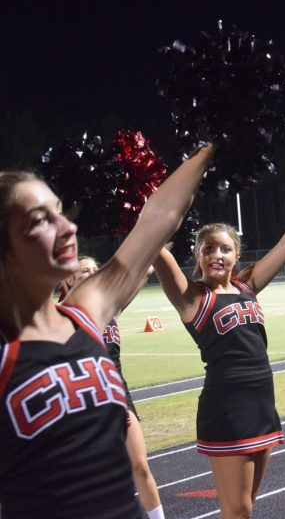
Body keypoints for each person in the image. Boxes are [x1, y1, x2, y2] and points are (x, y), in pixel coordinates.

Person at [0, 144, 213, 519]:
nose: (68, 227)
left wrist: (217, 138)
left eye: (60, 212)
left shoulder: (86, 310)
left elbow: (161, 216)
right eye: (40, 220)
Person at [152, 205, 285, 519]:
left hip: (261, 402)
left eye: (225, 249)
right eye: (208, 249)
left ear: (237, 256)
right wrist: (155, 214)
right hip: (227, 406)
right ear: (197, 256)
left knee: (245, 505)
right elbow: (154, 249)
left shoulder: (248, 286)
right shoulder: (192, 298)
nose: (217, 254)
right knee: (238, 509)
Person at [60, 256, 164, 519]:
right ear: (69, 279)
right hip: (85, 402)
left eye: (97, 269)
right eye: (85, 271)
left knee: (140, 466)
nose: (95, 274)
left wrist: (155, 247)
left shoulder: (110, 308)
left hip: (119, 396)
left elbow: (142, 274)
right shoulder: (59, 315)